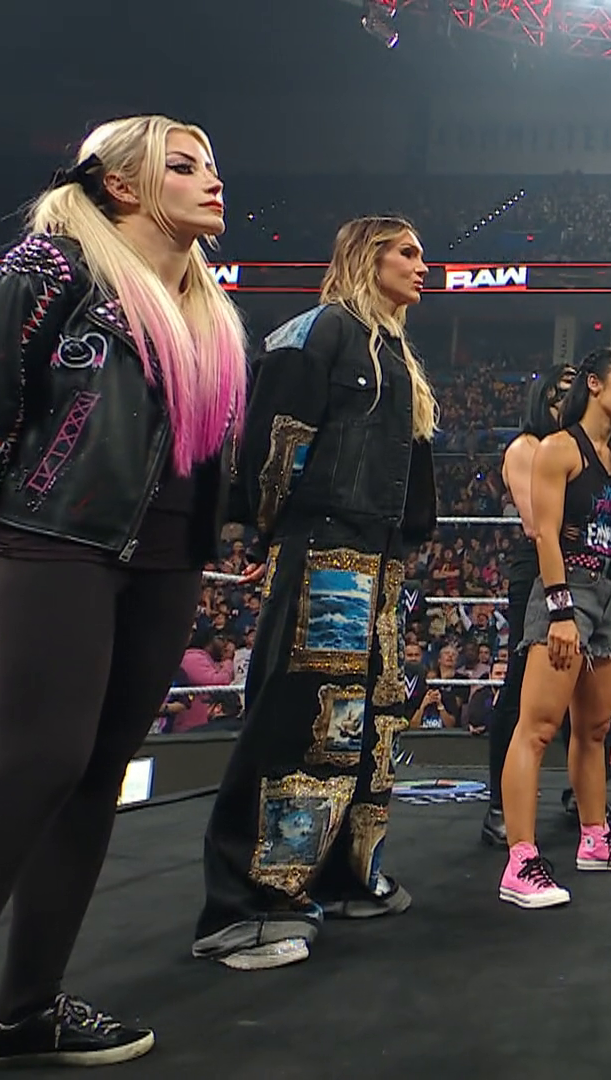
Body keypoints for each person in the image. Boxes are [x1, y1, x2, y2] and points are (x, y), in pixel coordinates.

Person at [0, 114, 248, 1074]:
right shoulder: (52, 268)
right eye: (184, 165)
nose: (213, 180)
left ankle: (24, 1013)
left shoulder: (206, 305)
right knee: (36, 765)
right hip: (55, 538)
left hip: (167, 555)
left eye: (213, 165)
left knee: (95, 774)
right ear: (123, 185)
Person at [194, 215, 439, 971]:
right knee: (297, 722)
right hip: (325, 549)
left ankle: (340, 876)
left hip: (380, 561)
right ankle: (246, 906)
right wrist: (268, 533)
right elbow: (275, 441)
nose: (423, 266)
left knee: (369, 727)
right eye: (407, 252)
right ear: (367, 257)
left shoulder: (395, 352)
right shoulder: (320, 331)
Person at [499, 346, 611, 908]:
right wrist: (559, 611)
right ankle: (520, 860)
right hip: (568, 591)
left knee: (596, 729)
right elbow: (545, 534)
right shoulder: (559, 448)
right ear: (595, 385)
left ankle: (595, 840)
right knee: (537, 728)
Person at [482, 364, 577, 846]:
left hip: (580, 566)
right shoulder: (526, 448)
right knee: (521, 681)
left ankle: (585, 795)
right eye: (561, 395)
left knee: (583, 685)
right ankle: (500, 806)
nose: (569, 404)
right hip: (537, 570)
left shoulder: (576, 451)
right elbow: (538, 522)